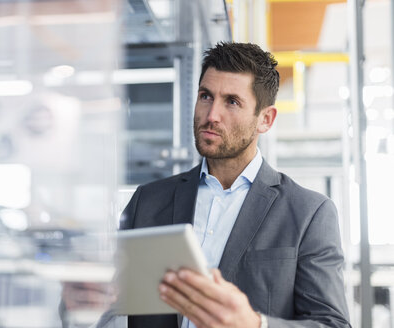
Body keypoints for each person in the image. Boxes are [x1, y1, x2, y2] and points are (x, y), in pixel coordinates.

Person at [118, 42, 351, 328]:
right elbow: (110, 309)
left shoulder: (308, 213)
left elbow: (332, 324)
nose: (211, 115)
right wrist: (83, 304)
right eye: (206, 96)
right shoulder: (148, 202)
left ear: (265, 119)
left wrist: (255, 324)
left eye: (232, 102)